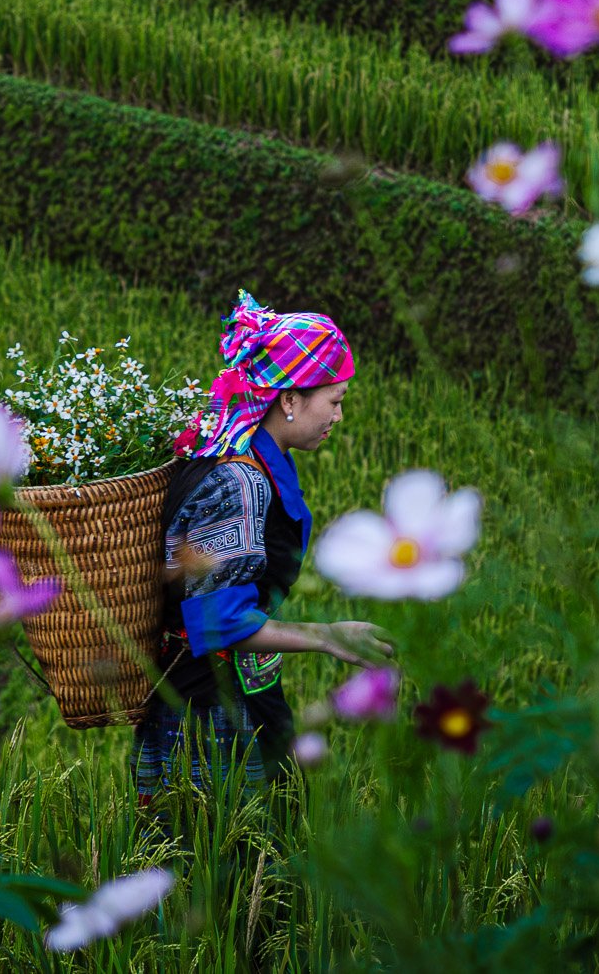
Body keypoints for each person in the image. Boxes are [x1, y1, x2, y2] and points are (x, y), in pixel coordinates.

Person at [132, 291, 393, 811]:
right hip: (209, 717)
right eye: (335, 401)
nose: (339, 416)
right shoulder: (238, 482)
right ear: (289, 400)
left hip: (238, 698)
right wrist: (329, 637)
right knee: (222, 869)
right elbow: (219, 620)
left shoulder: (254, 459)